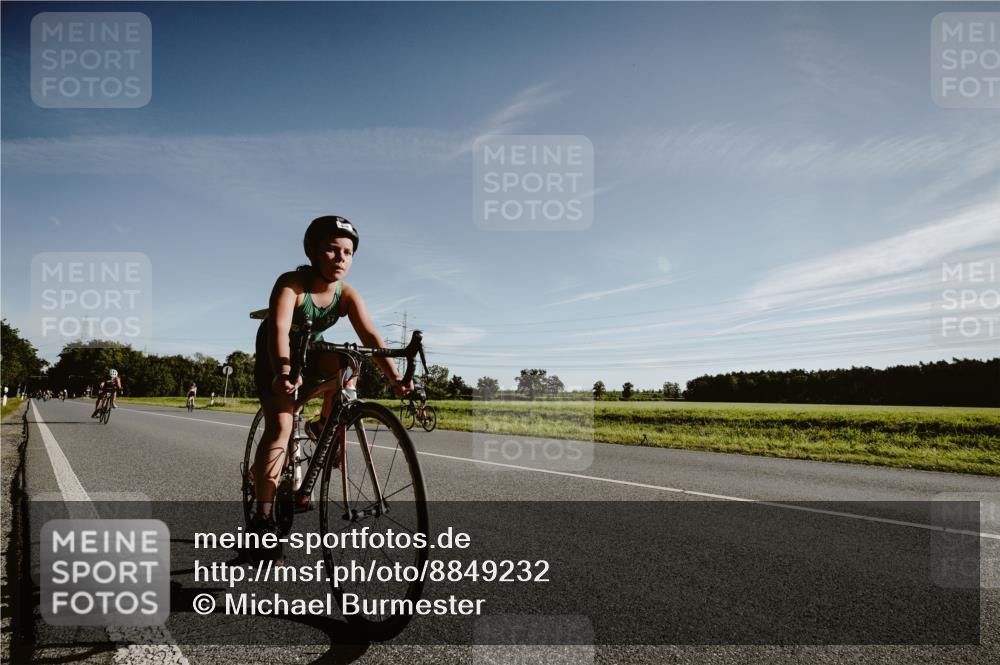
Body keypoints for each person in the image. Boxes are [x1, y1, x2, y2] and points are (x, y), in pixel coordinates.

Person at [250, 215, 412, 556]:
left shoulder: (346, 294)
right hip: (275, 356)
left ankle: (323, 425)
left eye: (348, 252)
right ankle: (263, 518)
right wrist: (283, 371)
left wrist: (396, 380)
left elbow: (370, 336)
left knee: (349, 360)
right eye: (331, 250)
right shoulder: (292, 284)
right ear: (311, 251)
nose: (341, 258)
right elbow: (279, 329)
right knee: (280, 427)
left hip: (310, 352)